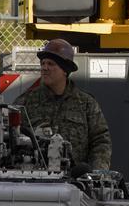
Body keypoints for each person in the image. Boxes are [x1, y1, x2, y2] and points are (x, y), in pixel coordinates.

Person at [16, 38, 113, 170]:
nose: (44, 68)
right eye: (43, 63)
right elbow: (12, 136)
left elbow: (100, 141)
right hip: (36, 180)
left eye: (51, 64)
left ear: (65, 70)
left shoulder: (86, 104)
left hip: (75, 182)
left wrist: (95, 174)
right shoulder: (26, 102)